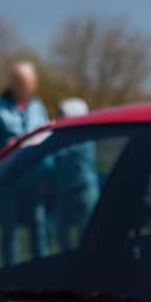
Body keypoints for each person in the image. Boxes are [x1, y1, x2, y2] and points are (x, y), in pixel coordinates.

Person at [0, 62, 51, 265]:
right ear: (13, 83)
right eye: (22, 82)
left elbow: (47, 141)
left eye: (30, 83)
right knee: (9, 230)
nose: (27, 87)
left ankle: (42, 268)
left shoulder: (38, 107)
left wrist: (47, 174)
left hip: (34, 176)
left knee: (38, 225)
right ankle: (10, 271)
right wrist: (0, 164)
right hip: (8, 179)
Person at [49, 97, 98, 251]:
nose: (59, 118)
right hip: (66, 190)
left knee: (87, 235)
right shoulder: (68, 137)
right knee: (61, 233)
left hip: (83, 190)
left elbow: (60, 153)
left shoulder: (83, 138)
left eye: (62, 115)